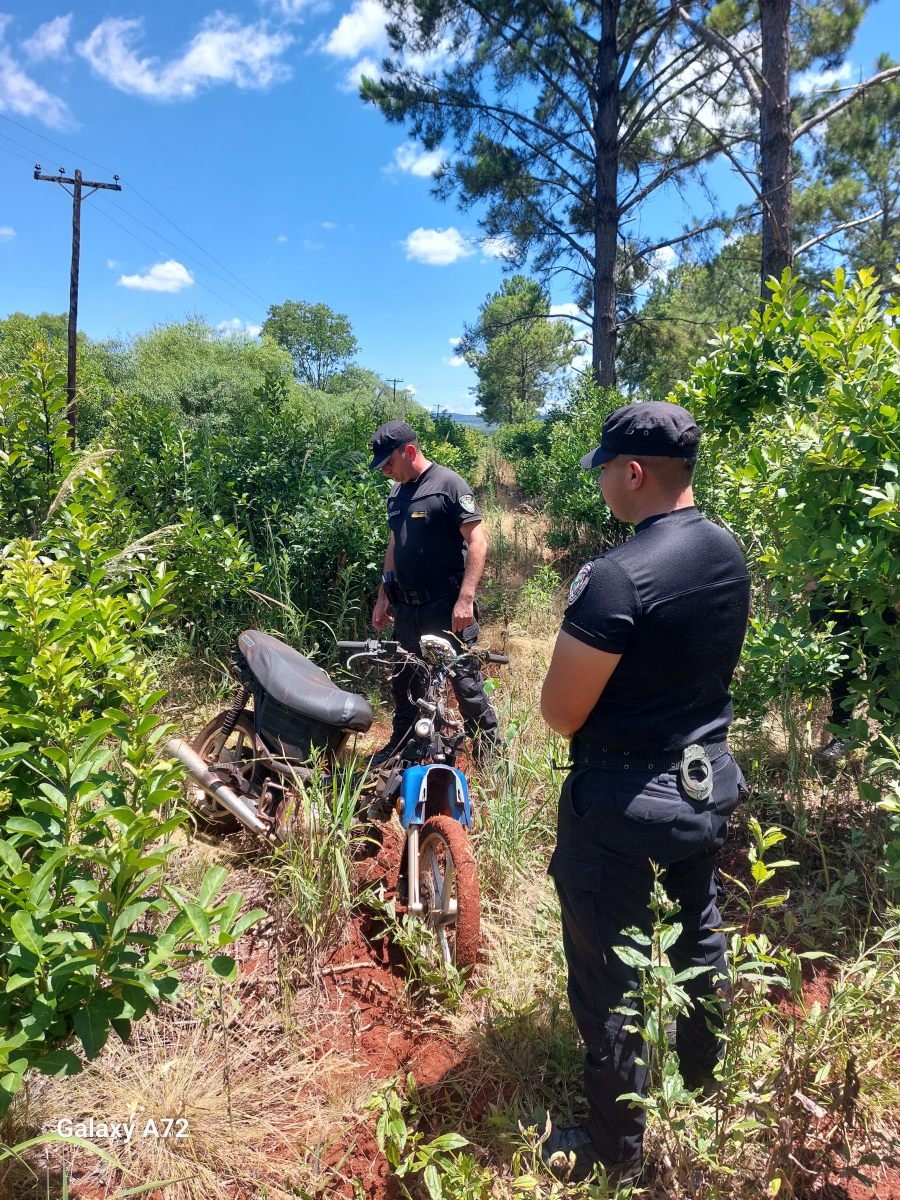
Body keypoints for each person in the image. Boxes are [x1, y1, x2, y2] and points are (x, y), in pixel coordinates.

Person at [539, 401, 751, 1185]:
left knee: (607, 975)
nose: (600, 484)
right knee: (698, 933)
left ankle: (614, 1150)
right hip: (704, 782)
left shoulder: (618, 576)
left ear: (634, 473)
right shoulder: (727, 551)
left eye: (604, 470)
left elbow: (561, 712)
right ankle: (702, 1087)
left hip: (623, 800)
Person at [368, 420, 498, 763]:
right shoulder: (397, 493)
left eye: (389, 463)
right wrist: (383, 595)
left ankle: (488, 753)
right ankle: (402, 747)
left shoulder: (448, 485)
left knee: (464, 680)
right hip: (408, 609)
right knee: (405, 680)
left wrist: (466, 599)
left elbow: (478, 541)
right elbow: (394, 544)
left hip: (445, 604)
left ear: (409, 451)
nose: (385, 471)